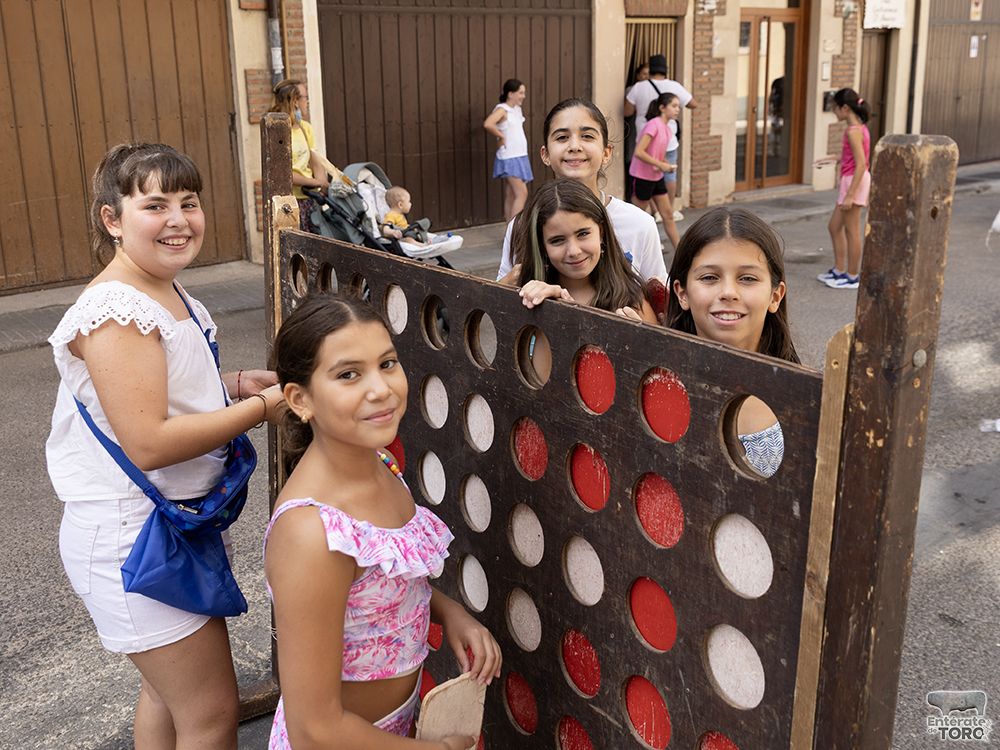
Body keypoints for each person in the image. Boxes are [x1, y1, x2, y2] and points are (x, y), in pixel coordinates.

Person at [46, 143, 285, 748]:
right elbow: (149, 441)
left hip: (167, 530)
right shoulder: (115, 309)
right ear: (113, 219)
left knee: (166, 694)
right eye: (155, 204)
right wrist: (261, 409)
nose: (179, 220)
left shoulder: (164, 288)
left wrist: (231, 386)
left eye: (189, 202)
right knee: (209, 715)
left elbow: (160, 390)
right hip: (134, 539)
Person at [266, 293, 502, 749]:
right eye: (348, 374)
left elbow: (379, 586)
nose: (380, 389)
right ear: (300, 399)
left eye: (388, 363)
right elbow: (314, 731)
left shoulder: (379, 463)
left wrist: (449, 612)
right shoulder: (312, 534)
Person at [632, 206, 798, 477]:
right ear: (682, 293)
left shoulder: (806, 401)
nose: (728, 292)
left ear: (775, 296)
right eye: (709, 277)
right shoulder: (650, 388)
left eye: (748, 278)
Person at [496, 98, 666, 284]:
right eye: (562, 138)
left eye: (587, 136)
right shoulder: (520, 226)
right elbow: (500, 300)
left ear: (606, 153)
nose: (575, 146)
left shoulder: (640, 224)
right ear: (545, 154)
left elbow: (658, 300)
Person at [506, 179, 657, 380]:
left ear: (601, 232)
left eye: (583, 234)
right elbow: (541, 384)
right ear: (542, 246)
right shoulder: (527, 297)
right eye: (557, 240)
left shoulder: (632, 301)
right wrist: (554, 314)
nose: (574, 251)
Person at [624, 54, 697, 221]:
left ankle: (654, 212)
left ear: (650, 70)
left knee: (647, 176)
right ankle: (667, 210)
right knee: (668, 174)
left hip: (645, 138)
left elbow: (627, 112)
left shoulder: (639, 87)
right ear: (666, 70)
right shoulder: (674, 86)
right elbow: (694, 103)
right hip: (667, 140)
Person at [815, 88, 871, 290]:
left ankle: (853, 276)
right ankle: (839, 270)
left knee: (852, 231)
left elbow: (862, 164)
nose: (834, 112)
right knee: (834, 227)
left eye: (835, 108)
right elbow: (851, 158)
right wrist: (830, 159)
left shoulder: (853, 131)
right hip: (851, 181)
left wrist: (849, 195)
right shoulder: (858, 128)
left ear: (845, 108)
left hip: (854, 183)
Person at [268, 78, 329, 233]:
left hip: (310, 200)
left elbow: (315, 161)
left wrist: (323, 183)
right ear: (295, 101)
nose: (307, 101)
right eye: (305, 97)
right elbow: (283, 173)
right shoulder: (278, 131)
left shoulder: (305, 128)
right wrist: (316, 182)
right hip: (290, 202)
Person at [630, 92, 682, 251]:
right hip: (642, 177)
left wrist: (667, 164)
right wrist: (662, 164)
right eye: (674, 106)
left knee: (668, 215)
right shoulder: (653, 124)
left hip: (657, 176)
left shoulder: (667, 129)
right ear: (662, 108)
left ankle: (682, 254)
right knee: (636, 220)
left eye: (678, 106)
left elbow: (657, 154)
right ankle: (627, 254)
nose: (677, 109)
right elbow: (639, 152)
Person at [483, 78, 533, 223]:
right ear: (510, 93)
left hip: (519, 155)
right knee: (522, 193)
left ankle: (508, 232)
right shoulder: (502, 109)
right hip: (510, 157)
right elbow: (488, 123)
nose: (523, 96)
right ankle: (514, 231)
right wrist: (500, 137)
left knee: (511, 195)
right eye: (521, 93)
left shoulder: (516, 109)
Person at [623, 63, 651, 170]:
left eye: (649, 74)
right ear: (638, 75)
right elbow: (627, 111)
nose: (647, 77)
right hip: (633, 123)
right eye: (644, 74)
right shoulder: (632, 89)